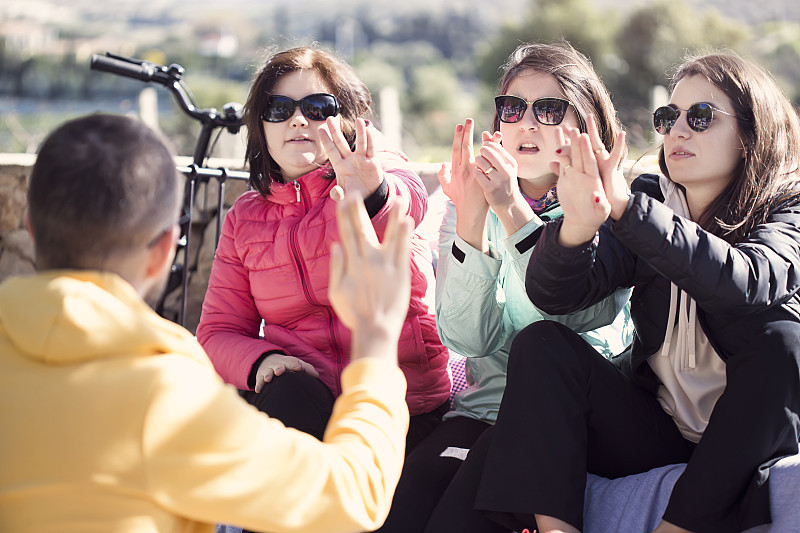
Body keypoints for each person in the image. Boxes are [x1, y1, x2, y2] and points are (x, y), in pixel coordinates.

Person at [0, 113, 415, 533]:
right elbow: (351, 495)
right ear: (165, 249)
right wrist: (376, 343)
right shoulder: (165, 396)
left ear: (31, 229)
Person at [471, 52, 800, 533]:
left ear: (751, 133)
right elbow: (557, 294)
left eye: (700, 117)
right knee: (542, 345)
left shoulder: (788, 209)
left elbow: (747, 282)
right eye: (669, 117)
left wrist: (625, 208)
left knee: (783, 342)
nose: (677, 131)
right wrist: (577, 230)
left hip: (747, 439)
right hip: (661, 430)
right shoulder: (651, 196)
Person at [374, 42, 634, 533]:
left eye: (549, 108)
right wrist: (472, 222)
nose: (527, 123)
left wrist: (513, 213)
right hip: (484, 410)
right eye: (514, 108)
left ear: (585, 124)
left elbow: (573, 321)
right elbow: (467, 340)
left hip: (574, 414)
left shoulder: (608, 205)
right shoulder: (468, 200)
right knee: (400, 509)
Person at [196, 47, 450, 452]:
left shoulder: (374, 169)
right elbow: (217, 333)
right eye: (279, 108)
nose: (298, 119)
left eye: (317, 107)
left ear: (346, 119)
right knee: (282, 393)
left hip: (401, 404)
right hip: (303, 400)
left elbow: (408, 204)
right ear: (260, 126)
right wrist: (263, 361)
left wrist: (370, 192)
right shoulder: (244, 218)